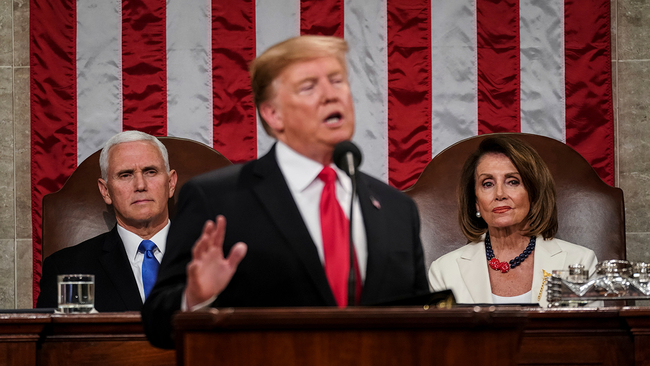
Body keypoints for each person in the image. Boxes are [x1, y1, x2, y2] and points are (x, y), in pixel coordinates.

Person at [142, 35, 428, 348]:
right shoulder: (218, 198)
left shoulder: (397, 209)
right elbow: (157, 324)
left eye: (337, 81)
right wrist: (194, 297)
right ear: (273, 115)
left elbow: (423, 322)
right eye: (309, 86)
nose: (331, 95)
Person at [428, 135, 598, 307]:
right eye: (487, 184)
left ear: (534, 194)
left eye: (513, 181)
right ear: (476, 202)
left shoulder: (580, 262)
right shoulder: (444, 271)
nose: (500, 194)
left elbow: (589, 333)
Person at [37, 131, 178, 312]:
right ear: (106, 191)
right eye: (125, 175)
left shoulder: (214, 257)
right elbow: (60, 340)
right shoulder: (67, 268)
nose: (140, 185)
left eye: (150, 172)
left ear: (171, 183)